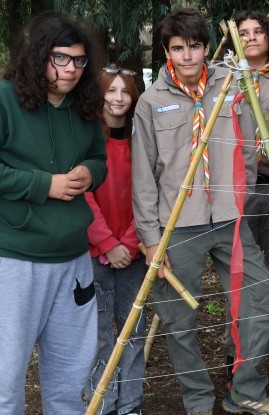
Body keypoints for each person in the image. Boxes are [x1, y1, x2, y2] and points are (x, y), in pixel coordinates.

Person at [132, 8, 269, 415]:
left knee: (262, 295)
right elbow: (143, 174)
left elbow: (249, 147)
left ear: (204, 48)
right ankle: (198, 400)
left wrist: (242, 199)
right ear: (166, 51)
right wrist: (150, 237)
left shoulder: (231, 84)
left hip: (230, 217)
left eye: (195, 47)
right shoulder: (151, 101)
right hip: (177, 224)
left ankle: (246, 389)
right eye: (178, 48)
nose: (187, 57)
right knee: (178, 319)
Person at [0, 12, 107, 414]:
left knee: (68, 383)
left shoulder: (84, 105)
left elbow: (99, 159)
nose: (72, 70)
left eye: (80, 61)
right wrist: (46, 185)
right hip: (15, 260)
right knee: (4, 383)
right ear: (39, 55)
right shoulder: (5, 100)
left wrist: (87, 173)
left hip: (74, 261)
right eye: (61, 58)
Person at [224, 10, 269, 387]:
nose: (251, 38)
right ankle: (235, 352)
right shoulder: (221, 78)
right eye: (243, 33)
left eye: (258, 31)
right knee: (236, 273)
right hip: (234, 191)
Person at [86, 65, 145, 415]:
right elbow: (84, 195)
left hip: (134, 251)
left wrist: (131, 241)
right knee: (99, 335)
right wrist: (108, 243)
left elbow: (149, 194)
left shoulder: (143, 141)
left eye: (125, 91)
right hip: (95, 251)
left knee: (132, 333)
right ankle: (103, 403)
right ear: (101, 95)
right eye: (111, 91)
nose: (118, 98)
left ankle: (131, 405)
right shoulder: (88, 139)